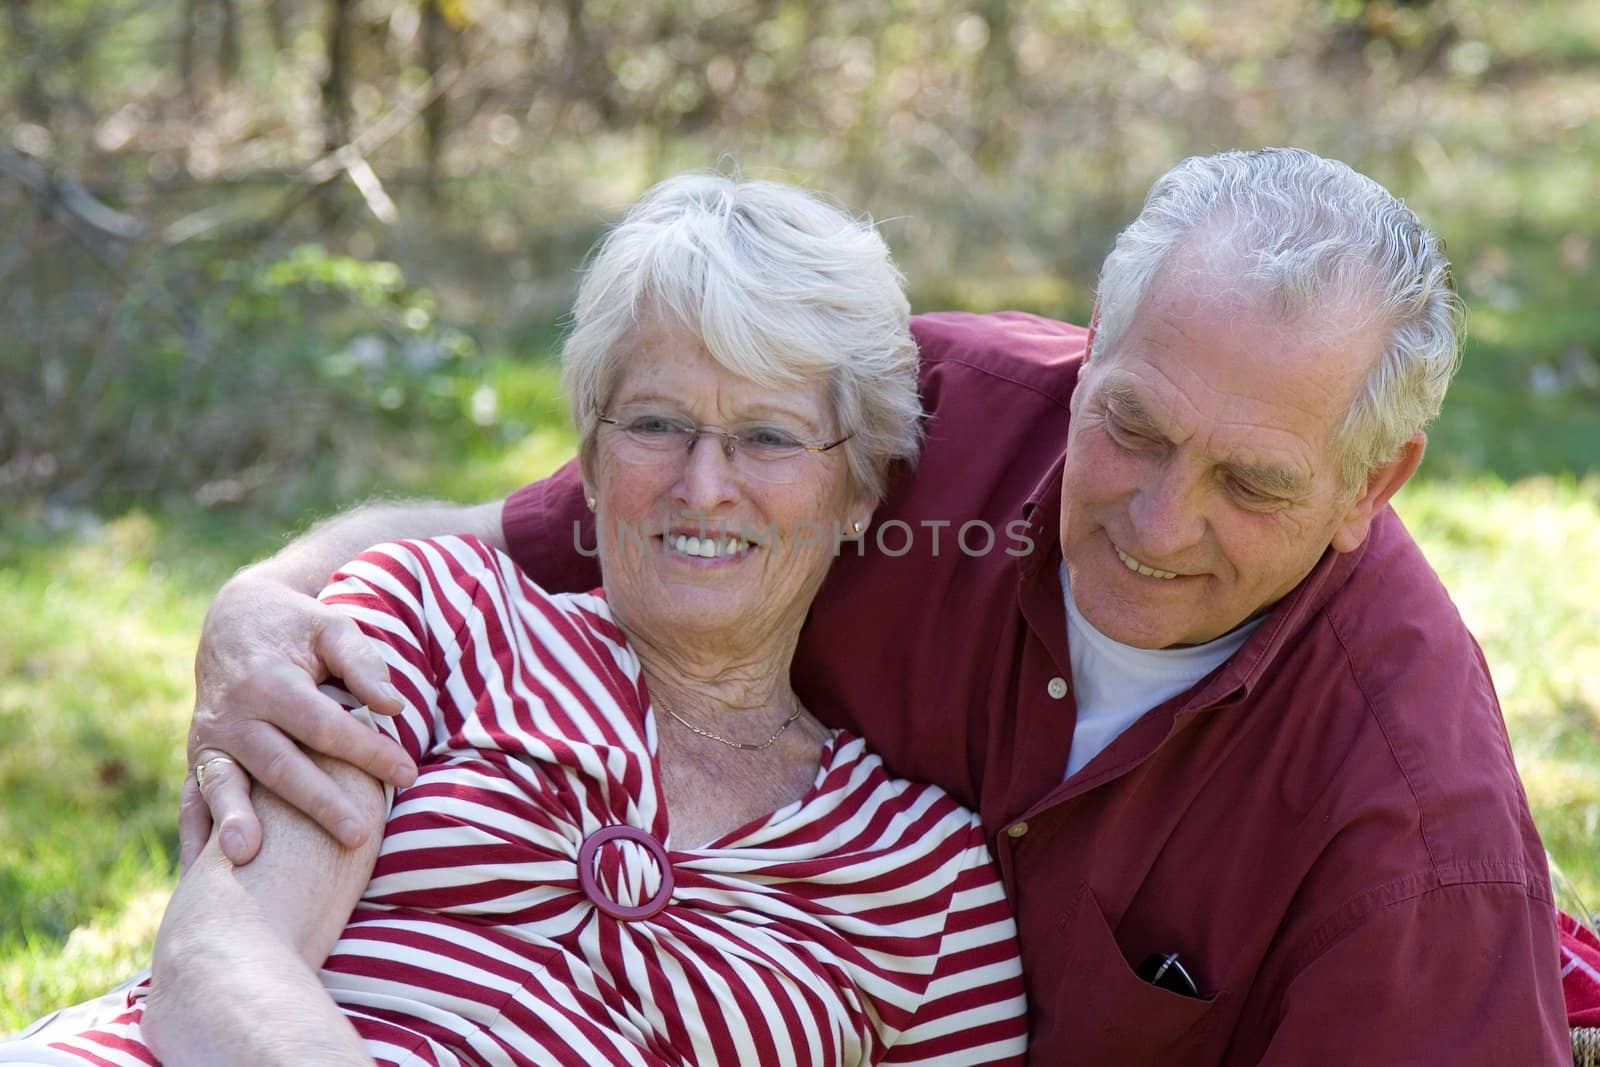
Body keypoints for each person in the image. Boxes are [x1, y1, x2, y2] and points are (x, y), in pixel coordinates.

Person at [175, 148, 1568, 1063]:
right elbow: (512, 535)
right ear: (1093, 349)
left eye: (1251, 481)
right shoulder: (901, 421)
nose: (1156, 523)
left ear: (1371, 483)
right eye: (1131, 426)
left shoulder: (1413, 820)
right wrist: (260, 595)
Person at [0, 175, 1028, 1065]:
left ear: (858, 491)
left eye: (765, 436)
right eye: (658, 424)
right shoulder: (439, 615)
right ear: (589, 456)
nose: (704, 484)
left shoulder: (928, 877)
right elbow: (220, 960)